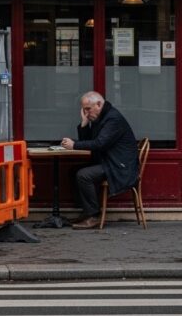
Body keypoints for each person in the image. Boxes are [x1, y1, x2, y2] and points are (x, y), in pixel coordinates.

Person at [60, 91, 140, 230]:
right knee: (74, 171)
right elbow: (90, 142)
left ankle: (94, 216)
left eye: (88, 109)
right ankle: (86, 212)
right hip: (109, 162)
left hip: (119, 167)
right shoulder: (101, 118)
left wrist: (74, 145)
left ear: (99, 104)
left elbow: (99, 144)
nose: (86, 112)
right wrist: (84, 124)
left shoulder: (112, 119)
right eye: (84, 109)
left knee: (83, 175)